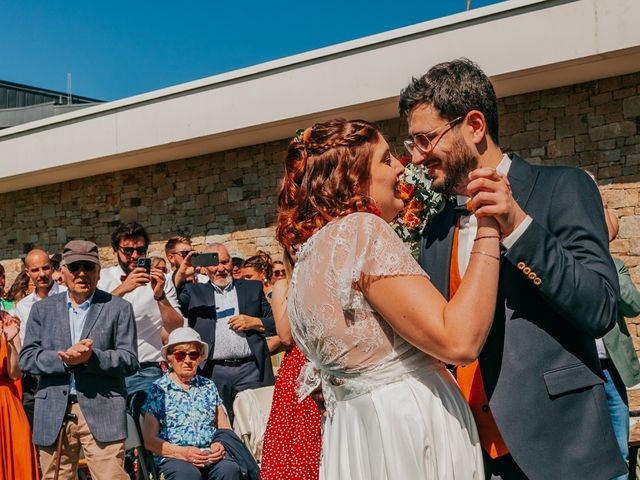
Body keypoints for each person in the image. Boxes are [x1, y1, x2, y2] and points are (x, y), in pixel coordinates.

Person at [399, 58, 624, 479]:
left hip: (564, 450)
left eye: (425, 140)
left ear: (475, 125)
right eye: (412, 144)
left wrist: (518, 226)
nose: (416, 158)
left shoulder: (563, 187)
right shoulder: (435, 229)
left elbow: (600, 308)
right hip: (470, 456)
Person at [276, 118, 504, 479]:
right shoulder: (360, 231)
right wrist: (490, 227)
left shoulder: (307, 257)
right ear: (351, 176)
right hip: (405, 425)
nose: (402, 165)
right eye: (385, 160)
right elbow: (458, 341)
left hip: (355, 430)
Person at [19, 240, 139, 480]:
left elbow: (129, 360)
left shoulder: (118, 308)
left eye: (88, 267)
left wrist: (92, 358)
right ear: (61, 271)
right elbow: (27, 358)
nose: (82, 273)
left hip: (102, 407)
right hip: (53, 410)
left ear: (99, 271)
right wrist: (64, 361)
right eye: (75, 267)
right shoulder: (41, 310)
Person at [174, 243, 275, 423]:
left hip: (250, 368)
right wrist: (181, 274)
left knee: (258, 422)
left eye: (225, 262)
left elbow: (275, 322)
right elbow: (174, 305)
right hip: (214, 371)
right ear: (204, 268)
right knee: (219, 423)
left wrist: (255, 322)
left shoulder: (252, 288)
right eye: (215, 263)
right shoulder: (194, 292)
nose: (221, 268)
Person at [141, 327, 243, 480]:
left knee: (229, 470)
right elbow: (149, 440)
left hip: (210, 455)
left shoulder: (208, 386)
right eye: (180, 355)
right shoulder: (158, 390)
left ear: (200, 358)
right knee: (188, 475)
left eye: (193, 354)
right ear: (170, 358)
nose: (187, 360)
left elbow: (224, 427)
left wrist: (220, 445)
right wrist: (183, 453)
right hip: (175, 458)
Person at [98, 222, 184, 398]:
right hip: (108, 369)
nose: (135, 256)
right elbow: (93, 319)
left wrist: (160, 296)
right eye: (128, 251)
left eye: (140, 250)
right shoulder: (101, 279)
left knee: (144, 420)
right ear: (115, 250)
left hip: (146, 369)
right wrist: (123, 289)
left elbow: (176, 327)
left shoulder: (162, 280)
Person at [260, 274, 322, 480]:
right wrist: (300, 282)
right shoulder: (284, 285)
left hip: (330, 358)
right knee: (296, 439)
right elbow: (285, 336)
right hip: (298, 366)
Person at [0, 311, 39, 480]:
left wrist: (9, 344)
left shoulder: (8, 321)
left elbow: (15, 374)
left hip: (7, 404)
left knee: (19, 457)